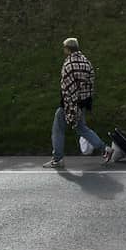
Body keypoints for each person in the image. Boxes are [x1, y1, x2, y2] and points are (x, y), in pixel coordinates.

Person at [43, 38, 106, 168]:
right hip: (82, 102)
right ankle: (105, 149)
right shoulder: (86, 62)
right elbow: (91, 82)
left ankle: (58, 158)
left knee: (58, 129)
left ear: (67, 49)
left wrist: (67, 105)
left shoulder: (68, 64)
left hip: (70, 104)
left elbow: (66, 87)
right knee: (81, 128)